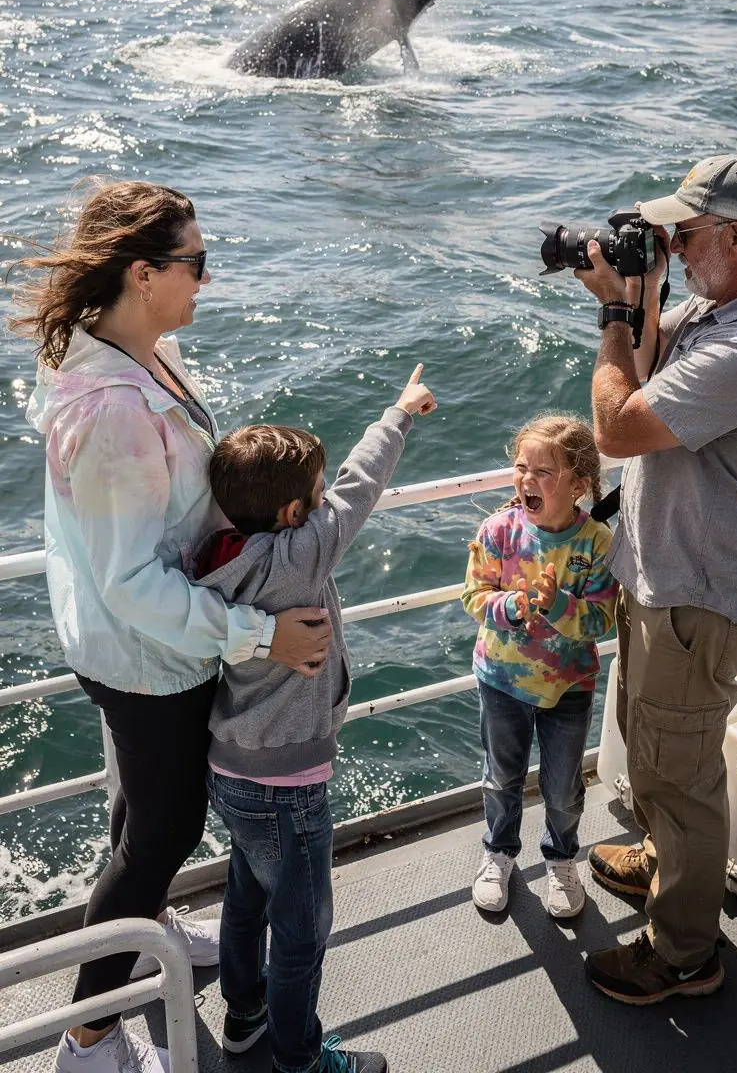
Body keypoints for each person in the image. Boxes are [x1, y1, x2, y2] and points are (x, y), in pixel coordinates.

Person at [13, 181, 333, 1073]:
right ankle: (90, 1041)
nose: (207, 277)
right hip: (151, 657)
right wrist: (260, 636)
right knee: (162, 832)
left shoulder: (133, 350)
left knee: (143, 819)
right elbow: (132, 585)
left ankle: (144, 928)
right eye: (196, 262)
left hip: (137, 649)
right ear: (143, 273)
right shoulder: (113, 407)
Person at [573, 153, 737, 1005]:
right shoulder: (730, 304)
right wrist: (641, 301)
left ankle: (683, 953)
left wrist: (612, 314)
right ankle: (666, 859)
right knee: (655, 746)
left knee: (680, 772)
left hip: (696, 596)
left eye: (687, 230)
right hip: (668, 578)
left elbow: (619, 424)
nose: (672, 242)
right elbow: (650, 365)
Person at [198, 365, 437, 1073]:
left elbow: (340, 493)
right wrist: (399, 414)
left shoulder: (219, 557)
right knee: (301, 933)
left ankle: (244, 1018)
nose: (325, 497)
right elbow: (361, 488)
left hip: (230, 767)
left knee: (245, 896)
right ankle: (299, 1059)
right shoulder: (300, 558)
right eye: (314, 493)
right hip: (289, 784)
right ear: (295, 516)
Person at [462, 414, 618, 918]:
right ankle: (499, 851)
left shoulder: (595, 542)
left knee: (562, 787)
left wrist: (556, 607)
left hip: (568, 687)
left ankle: (561, 857)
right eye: (521, 467)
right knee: (501, 778)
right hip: (501, 680)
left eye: (543, 472)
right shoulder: (498, 531)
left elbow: (601, 620)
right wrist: (510, 607)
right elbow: (474, 596)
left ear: (579, 484)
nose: (527, 479)